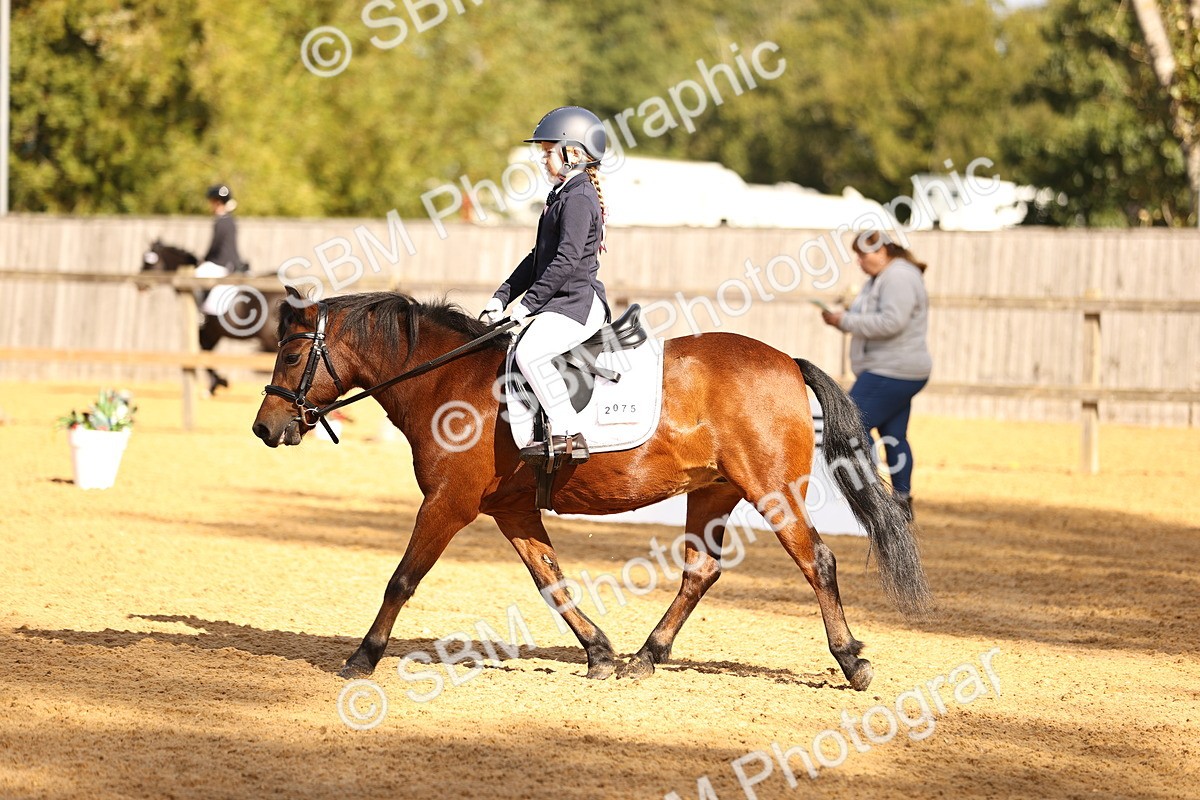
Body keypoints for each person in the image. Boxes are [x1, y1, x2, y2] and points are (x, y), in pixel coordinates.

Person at [481, 106, 611, 464]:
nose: (542, 159)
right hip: (560, 302)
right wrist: (502, 298)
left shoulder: (579, 198)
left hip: (576, 304)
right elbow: (537, 257)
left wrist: (527, 305)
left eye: (548, 151)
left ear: (573, 154)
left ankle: (569, 433)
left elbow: (566, 261)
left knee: (529, 353)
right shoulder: (562, 195)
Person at [820, 230, 931, 519]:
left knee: (850, 427)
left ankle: (873, 497)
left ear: (882, 251)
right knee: (894, 436)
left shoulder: (898, 277)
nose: (859, 261)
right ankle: (901, 501)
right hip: (899, 369)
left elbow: (892, 322)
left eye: (862, 255)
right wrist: (844, 318)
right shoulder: (886, 277)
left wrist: (845, 321)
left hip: (891, 369)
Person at [196, 184, 246, 316]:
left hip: (222, 262)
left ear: (217, 203)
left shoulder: (221, 221)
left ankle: (201, 313)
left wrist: (204, 259)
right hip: (229, 261)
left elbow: (215, 245)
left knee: (196, 274)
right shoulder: (230, 220)